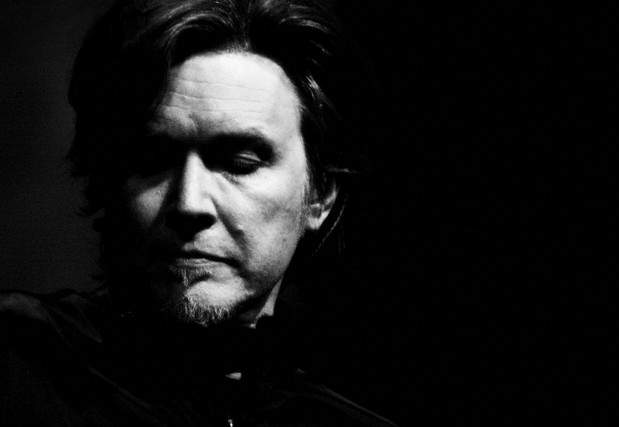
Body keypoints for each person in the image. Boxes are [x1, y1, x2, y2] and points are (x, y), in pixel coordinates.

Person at [0, 0, 397, 425]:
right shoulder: (17, 359)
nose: (189, 203)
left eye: (239, 163)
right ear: (106, 179)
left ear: (319, 195)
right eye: (152, 159)